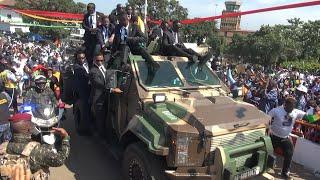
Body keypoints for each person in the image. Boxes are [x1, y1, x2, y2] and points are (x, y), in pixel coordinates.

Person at [2, 113, 70, 179]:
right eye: (31, 125)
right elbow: (60, 159)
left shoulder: (3, 147)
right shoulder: (37, 150)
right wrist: (65, 138)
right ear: (29, 129)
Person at [268, 97, 308, 179]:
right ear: (285, 105)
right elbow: (267, 117)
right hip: (273, 136)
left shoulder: (295, 111)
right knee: (268, 152)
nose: (291, 109)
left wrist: (318, 114)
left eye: (293, 107)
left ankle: (285, 172)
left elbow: (309, 118)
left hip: (285, 138)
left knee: (289, 153)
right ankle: (265, 167)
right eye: (290, 107)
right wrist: (267, 128)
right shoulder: (276, 110)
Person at [90, 53, 122, 138]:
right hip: (98, 99)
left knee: (105, 117)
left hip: (105, 97)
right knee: (100, 118)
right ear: (94, 61)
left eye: (101, 60)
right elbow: (99, 84)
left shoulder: (103, 67)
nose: (100, 62)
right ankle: (101, 138)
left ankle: (104, 133)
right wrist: (112, 89)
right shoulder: (93, 71)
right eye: (98, 60)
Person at [73, 50, 92, 135]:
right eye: (79, 58)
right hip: (82, 92)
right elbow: (86, 75)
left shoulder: (87, 64)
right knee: (84, 110)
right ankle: (83, 130)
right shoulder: (77, 67)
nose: (81, 60)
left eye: (83, 58)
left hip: (88, 89)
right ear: (77, 59)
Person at [82, 3, 102, 67]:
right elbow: (83, 25)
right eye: (88, 9)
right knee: (88, 54)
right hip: (89, 38)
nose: (89, 11)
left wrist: (97, 29)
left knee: (95, 53)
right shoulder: (86, 16)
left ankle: (96, 66)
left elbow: (103, 25)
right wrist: (90, 29)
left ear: (94, 9)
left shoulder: (100, 15)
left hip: (97, 38)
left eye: (90, 9)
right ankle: (90, 67)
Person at [0, 79, 11, 144]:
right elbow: (9, 102)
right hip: (7, 120)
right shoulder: (4, 94)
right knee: (6, 141)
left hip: (3, 122)